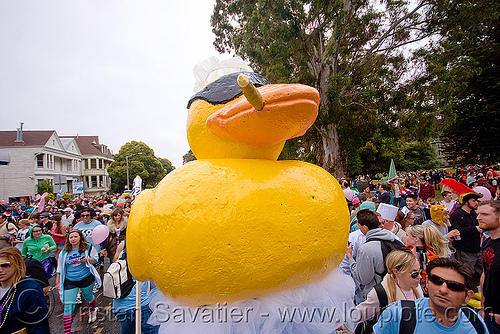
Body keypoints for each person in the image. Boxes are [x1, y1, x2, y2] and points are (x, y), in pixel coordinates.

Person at [373, 257, 487, 333]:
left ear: (468, 296)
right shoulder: (398, 315)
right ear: (427, 281)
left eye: (454, 286)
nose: (443, 289)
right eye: (436, 280)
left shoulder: (475, 322)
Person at [355, 251, 424, 334]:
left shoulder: (417, 288)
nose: (420, 277)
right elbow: (355, 315)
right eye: (414, 274)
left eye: (420, 272)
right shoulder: (381, 293)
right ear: (396, 272)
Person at [346, 209, 404, 300]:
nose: (358, 227)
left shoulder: (365, 249)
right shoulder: (394, 238)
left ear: (365, 227)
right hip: (398, 288)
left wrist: (350, 257)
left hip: (378, 295)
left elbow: (363, 279)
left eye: (358, 225)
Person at [56, 230, 101, 333]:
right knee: (68, 306)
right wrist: (58, 282)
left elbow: (96, 259)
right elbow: (59, 268)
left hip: (86, 279)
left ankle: (92, 310)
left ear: (80, 237)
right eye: (71, 237)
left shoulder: (88, 247)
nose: (73, 239)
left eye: (75, 237)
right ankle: (67, 331)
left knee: (88, 297)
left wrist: (86, 260)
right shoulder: (64, 251)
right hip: (70, 281)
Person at [112, 241, 159, 334]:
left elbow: (115, 260)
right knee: (151, 331)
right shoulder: (146, 254)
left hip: (120, 305)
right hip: (139, 304)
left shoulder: (123, 247)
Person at [0, 247, 50, 333]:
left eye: (5, 265)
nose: (0, 270)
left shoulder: (30, 289)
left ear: (17, 264)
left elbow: (39, 326)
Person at [449, 191, 483, 292]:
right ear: (465, 202)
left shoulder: (474, 213)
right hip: (464, 249)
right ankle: (465, 292)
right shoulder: (457, 214)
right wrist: (475, 229)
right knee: (467, 273)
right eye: (473, 200)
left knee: (481, 270)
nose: (476, 203)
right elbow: (455, 231)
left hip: (476, 248)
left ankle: (472, 288)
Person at [478, 200, 500, 333]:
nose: (478, 218)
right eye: (478, 214)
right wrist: (482, 306)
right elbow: (485, 274)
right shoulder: (487, 243)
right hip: (488, 313)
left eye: (485, 214)